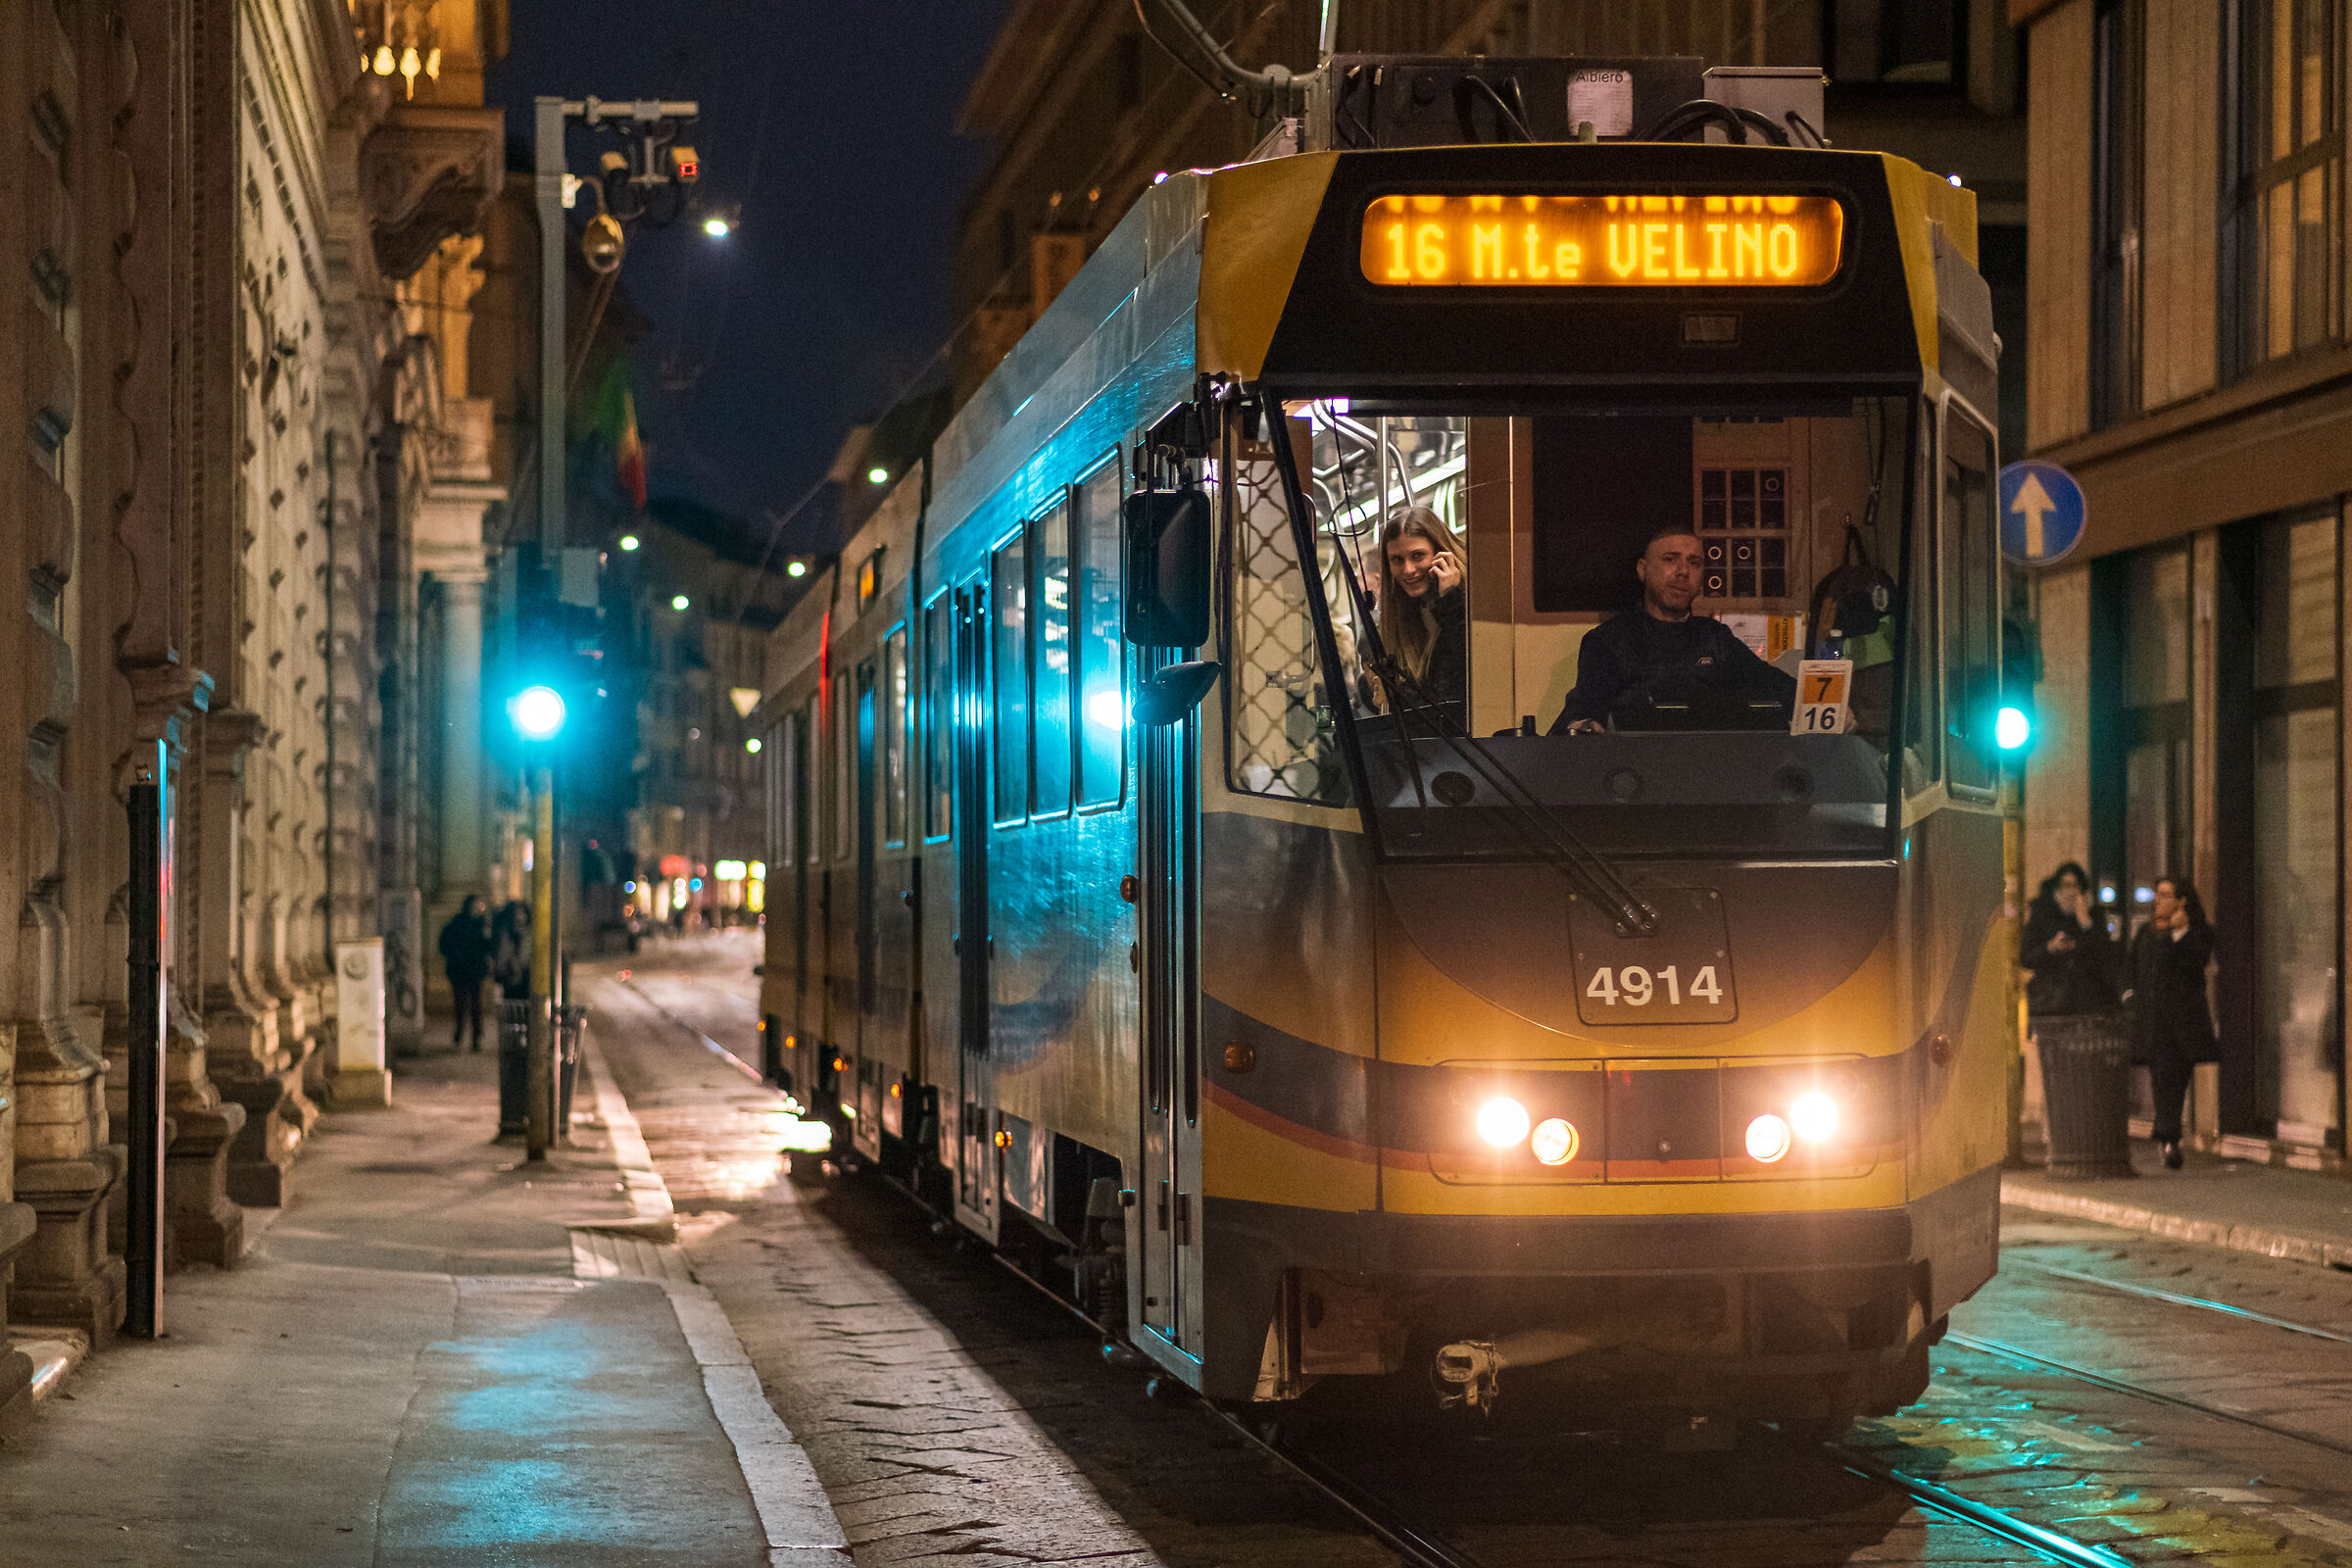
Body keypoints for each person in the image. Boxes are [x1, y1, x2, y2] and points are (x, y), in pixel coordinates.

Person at [1549, 526, 1796, 733]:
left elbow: (1775, 686)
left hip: (1710, 765)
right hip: (1637, 768)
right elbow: (1586, 708)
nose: (1683, 571)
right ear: (1643, 570)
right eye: (1670, 559)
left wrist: (1814, 696)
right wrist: (1584, 724)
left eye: (1694, 563)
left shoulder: (1715, 638)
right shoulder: (1608, 641)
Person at [2126, 875, 2217, 1170]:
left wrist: (2179, 934)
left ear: (2181, 901)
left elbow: (2193, 964)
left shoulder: (2198, 933)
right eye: (2158, 894)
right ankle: (2169, 1137)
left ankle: (2168, 1135)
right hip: (2153, 1022)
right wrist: (2129, 996)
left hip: (2182, 1023)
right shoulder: (2147, 932)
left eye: (2166, 894)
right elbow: (2132, 968)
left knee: (2175, 1081)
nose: (2158, 900)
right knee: (2163, 1080)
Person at [1375, 506, 1468, 709]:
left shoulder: (1471, 601)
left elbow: (1469, 673)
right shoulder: (1404, 613)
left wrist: (1451, 600)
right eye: (1397, 560)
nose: (1408, 570)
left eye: (1417, 555)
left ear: (1440, 554)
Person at [2020, 862, 2119, 1019]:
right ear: (2056, 890)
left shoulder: (2093, 917)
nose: (2072, 893)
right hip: (2049, 1002)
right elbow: (2026, 958)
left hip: (2087, 1002)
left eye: (2076, 886)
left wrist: (2086, 924)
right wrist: (2051, 947)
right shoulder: (2041, 916)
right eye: (2067, 886)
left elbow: (2106, 956)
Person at [436, 895, 492, 1052]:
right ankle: (461, 1034)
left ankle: (474, 1037)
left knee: (474, 1005)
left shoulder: (480, 925)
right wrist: (455, 956)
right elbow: (444, 944)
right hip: (462, 970)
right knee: (462, 1005)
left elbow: (488, 947)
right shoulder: (459, 924)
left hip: (472, 971)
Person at [490, 900, 533, 1003]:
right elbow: (500, 956)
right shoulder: (505, 934)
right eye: (516, 913)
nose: (519, 917)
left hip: (528, 979)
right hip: (510, 979)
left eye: (522, 913)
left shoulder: (530, 933)